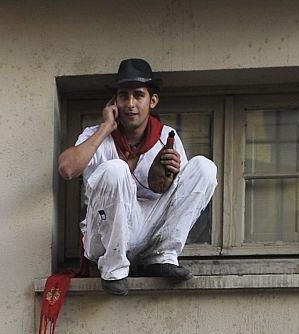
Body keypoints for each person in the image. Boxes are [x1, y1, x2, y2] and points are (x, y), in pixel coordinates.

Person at [58, 58, 217, 296]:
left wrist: (173, 174)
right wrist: (105, 128)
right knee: (116, 169)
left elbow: (181, 199)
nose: (130, 104)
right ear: (114, 102)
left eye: (138, 95)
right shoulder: (95, 134)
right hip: (103, 238)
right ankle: (113, 269)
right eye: (124, 96)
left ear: (152, 100)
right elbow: (67, 169)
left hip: (148, 232)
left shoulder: (167, 136)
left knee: (205, 167)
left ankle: (162, 256)